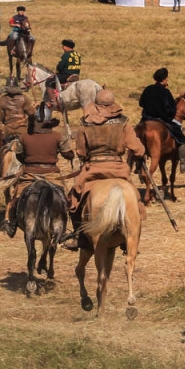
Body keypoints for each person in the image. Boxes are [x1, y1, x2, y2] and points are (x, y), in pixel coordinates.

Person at [63, 89, 146, 249]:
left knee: (73, 199)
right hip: (118, 170)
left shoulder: (84, 123)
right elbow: (138, 149)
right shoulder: (123, 122)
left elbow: (81, 152)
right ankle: (130, 237)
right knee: (135, 199)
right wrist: (139, 153)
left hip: (92, 169)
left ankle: (79, 235)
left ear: (96, 105)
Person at [3, 115, 66, 238]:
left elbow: (19, 156)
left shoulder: (24, 137)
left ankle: (12, 222)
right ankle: (65, 231)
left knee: (17, 198)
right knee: (67, 200)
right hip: (52, 174)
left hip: (30, 174)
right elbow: (68, 154)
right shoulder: (57, 136)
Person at [139, 67, 185, 172]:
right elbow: (172, 108)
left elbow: (141, 103)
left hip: (145, 119)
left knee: (135, 136)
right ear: (164, 79)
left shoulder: (148, 89)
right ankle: (184, 163)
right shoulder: (165, 91)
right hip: (162, 120)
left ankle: (137, 164)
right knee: (181, 137)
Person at [0, 76, 36, 176]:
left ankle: (1, 167)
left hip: (8, 130)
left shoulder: (2, 100)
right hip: (23, 130)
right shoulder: (24, 98)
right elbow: (32, 114)